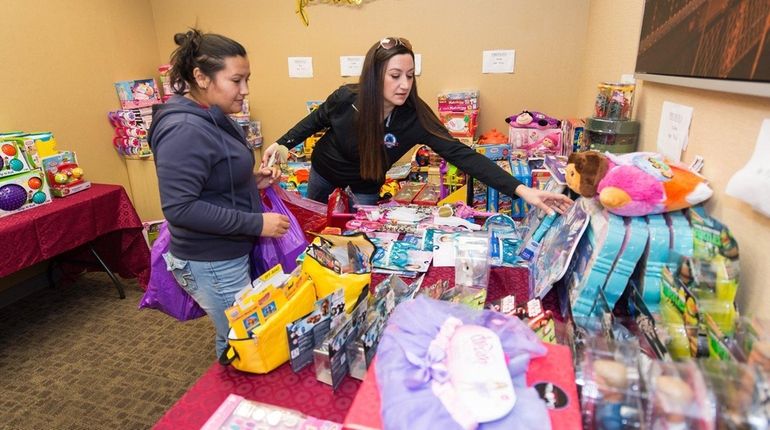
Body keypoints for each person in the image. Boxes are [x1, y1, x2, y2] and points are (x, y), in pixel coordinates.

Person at [261, 36, 572, 215]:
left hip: (367, 183)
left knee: (360, 235)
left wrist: (522, 190)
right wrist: (283, 142)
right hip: (324, 172)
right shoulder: (346, 98)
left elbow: (462, 155)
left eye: (410, 75)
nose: (404, 84)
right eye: (395, 75)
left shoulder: (415, 116)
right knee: (315, 225)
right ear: (375, 74)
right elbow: (315, 119)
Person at [148, 29, 290, 357]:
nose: (245, 90)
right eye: (236, 80)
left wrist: (249, 181)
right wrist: (257, 224)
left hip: (226, 251)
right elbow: (181, 207)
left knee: (238, 334)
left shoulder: (209, 115)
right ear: (200, 77)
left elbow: (209, 178)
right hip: (211, 259)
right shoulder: (183, 129)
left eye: (247, 79)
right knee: (245, 342)